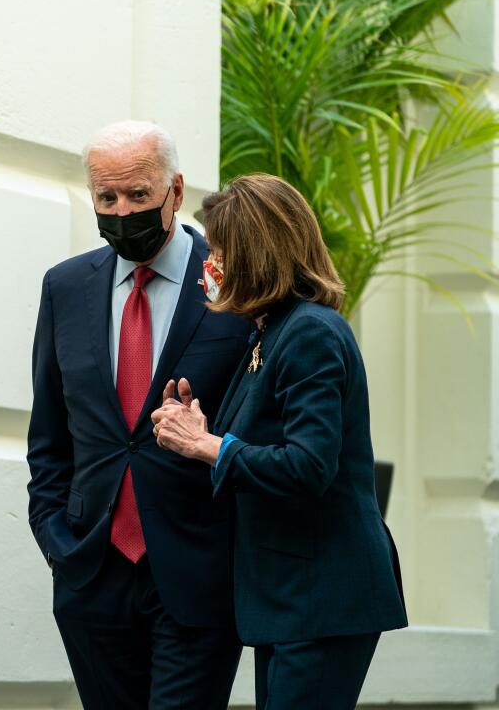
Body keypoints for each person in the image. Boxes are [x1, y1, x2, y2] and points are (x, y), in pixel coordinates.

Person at [151, 173, 407, 710]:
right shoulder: (269, 331)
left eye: (218, 250)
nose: (209, 264)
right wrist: (200, 428)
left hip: (322, 596)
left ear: (252, 254)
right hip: (289, 598)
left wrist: (208, 447)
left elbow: (309, 465)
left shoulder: (310, 332)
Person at [26, 120, 251, 709]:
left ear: (175, 192)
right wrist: (57, 541)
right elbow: (49, 436)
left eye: (138, 195)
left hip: (197, 572)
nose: (122, 211)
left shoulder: (238, 284)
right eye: (107, 197)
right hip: (91, 571)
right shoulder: (65, 287)